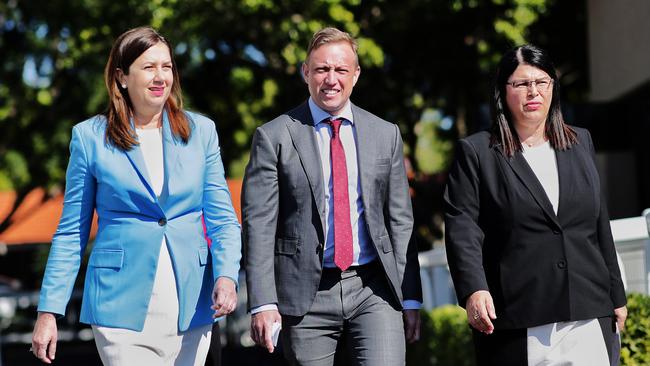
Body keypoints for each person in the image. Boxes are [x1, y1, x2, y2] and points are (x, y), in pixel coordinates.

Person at [31, 26, 241, 365]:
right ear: (122, 77)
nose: (160, 77)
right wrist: (48, 310)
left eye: (167, 67)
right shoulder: (89, 138)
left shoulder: (202, 132)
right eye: (148, 67)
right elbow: (71, 232)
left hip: (192, 305)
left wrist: (227, 275)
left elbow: (223, 220)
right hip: (119, 309)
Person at [242, 27, 422, 366]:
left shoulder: (386, 135)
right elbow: (259, 226)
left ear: (355, 75)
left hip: (374, 289)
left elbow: (401, 221)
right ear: (306, 72)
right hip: (305, 295)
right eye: (322, 69)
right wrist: (263, 303)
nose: (331, 79)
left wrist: (410, 298)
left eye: (341, 70)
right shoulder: (274, 136)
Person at [444, 44, 627, 366]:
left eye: (542, 82)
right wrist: (474, 288)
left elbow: (599, 223)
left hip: (588, 309)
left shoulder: (580, 141)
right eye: (521, 84)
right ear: (503, 91)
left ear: (553, 88)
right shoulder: (477, 153)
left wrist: (616, 295)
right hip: (519, 315)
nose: (533, 92)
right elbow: (463, 227)